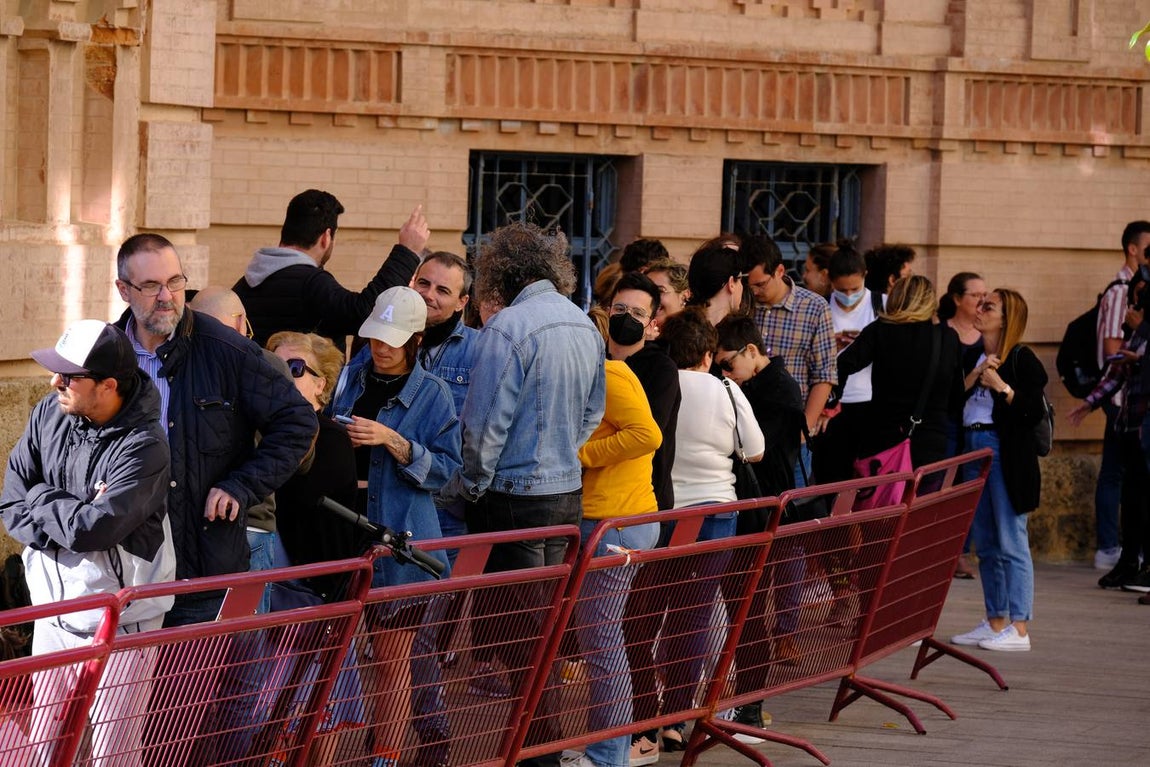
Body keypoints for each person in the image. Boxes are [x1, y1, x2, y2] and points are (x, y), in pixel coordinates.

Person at [441, 221, 605, 767]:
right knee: (543, 630)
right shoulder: (582, 323)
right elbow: (593, 412)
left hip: (513, 495)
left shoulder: (508, 327)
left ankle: (536, 752)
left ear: (501, 272)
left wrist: (473, 484)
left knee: (523, 637)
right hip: (563, 491)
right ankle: (539, 748)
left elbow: (483, 424)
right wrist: (559, 452)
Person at [113, 233, 317, 626]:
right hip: (127, 572)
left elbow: (298, 422)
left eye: (175, 282)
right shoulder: (106, 355)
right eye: (151, 285)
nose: (166, 297)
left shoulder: (225, 349)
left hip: (202, 574)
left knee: (205, 669)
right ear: (124, 290)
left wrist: (241, 485)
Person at [0, 320, 175, 766]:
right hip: (51, 616)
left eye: (68, 375)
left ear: (108, 386)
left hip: (120, 624)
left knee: (114, 755)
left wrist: (40, 496)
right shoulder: (49, 412)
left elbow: (92, 531)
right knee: (44, 748)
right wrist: (61, 513)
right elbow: (11, 502)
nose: (53, 382)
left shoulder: (145, 446)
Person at [328, 286, 460, 766]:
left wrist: (392, 440)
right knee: (332, 657)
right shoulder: (350, 376)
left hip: (399, 534)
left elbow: (446, 471)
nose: (381, 347)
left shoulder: (433, 393)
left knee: (391, 661)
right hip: (342, 526)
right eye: (375, 337)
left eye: (393, 339)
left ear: (416, 340)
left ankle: (384, 757)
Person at [656, 307, 764, 752]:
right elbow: (754, 450)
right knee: (695, 613)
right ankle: (677, 714)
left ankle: (646, 710)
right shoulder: (727, 389)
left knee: (651, 613)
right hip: (717, 512)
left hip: (664, 514)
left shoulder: (657, 383)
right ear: (707, 354)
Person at [567, 308, 662, 767]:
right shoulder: (600, 374)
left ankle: (608, 755)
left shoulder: (609, 374)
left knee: (602, 641)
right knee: (599, 640)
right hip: (611, 517)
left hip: (616, 520)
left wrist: (581, 454)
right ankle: (609, 750)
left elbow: (648, 434)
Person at [713, 314, 804, 734]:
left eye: (727, 364)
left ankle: (749, 704)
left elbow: (754, 451)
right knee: (742, 609)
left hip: (759, 511)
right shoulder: (760, 384)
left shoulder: (776, 390)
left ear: (751, 351)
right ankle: (743, 701)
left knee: (746, 610)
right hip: (753, 508)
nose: (724, 373)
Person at [950, 289, 1044, 652]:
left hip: (1003, 449)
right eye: (980, 303)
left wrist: (1001, 386)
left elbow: (1032, 411)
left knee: (1011, 538)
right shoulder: (973, 355)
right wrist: (976, 374)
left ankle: (1020, 627)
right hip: (973, 446)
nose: (979, 309)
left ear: (1006, 318)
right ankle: (995, 621)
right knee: (986, 541)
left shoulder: (1022, 358)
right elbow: (952, 400)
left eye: (989, 306)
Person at [188, 286, 291, 614]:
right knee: (243, 636)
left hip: (190, 525)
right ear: (239, 322)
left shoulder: (179, 365)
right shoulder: (267, 364)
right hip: (251, 520)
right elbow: (299, 453)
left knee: (194, 638)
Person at [233, 189, 429, 351]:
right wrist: (407, 252)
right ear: (326, 237)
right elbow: (363, 313)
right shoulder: (312, 283)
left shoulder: (245, 284)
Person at [1068, 277, 1150, 593]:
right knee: (1131, 496)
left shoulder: (1143, 329)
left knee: (1143, 496)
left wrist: (1141, 347)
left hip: (1146, 426)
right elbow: (1117, 371)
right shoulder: (1137, 330)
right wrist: (1090, 402)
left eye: (1142, 298)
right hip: (1130, 423)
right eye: (1135, 298)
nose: (1135, 305)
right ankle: (1128, 563)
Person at [837, 275, 964, 469]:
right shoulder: (947, 337)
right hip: (930, 440)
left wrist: (832, 401)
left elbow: (842, 364)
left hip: (883, 436)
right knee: (926, 488)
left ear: (896, 298)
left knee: (882, 489)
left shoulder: (880, 330)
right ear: (929, 301)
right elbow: (956, 396)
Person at [1091, 221, 1150, 573]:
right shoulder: (1120, 292)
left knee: (1127, 475)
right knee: (1117, 474)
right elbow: (1112, 347)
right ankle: (1110, 548)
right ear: (1133, 249)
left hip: (1131, 398)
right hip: (1121, 400)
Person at [815, 245, 882, 483]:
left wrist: (866, 345)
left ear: (865, 276)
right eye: (842, 290)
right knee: (831, 477)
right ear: (829, 280)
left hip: (872, 403)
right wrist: (830, 345)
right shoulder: (820, 307)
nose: (849, 295)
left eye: (855, 288)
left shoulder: (882, 305)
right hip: (831, 405)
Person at [937, 271, 987, 579]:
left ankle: (959, 552)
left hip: (975, 422)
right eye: (975, 295)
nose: (982, 301)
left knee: (967, 488)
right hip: (946, 420)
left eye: (985, 295)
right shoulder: (941, 332)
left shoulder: (987, 336)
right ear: (957, 299)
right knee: (942, 485)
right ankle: (937, 551)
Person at [686, 240, 746, 326]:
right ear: (731, 283)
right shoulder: (741, 332)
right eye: (740, 279)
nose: (741, 286)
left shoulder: (681, 327)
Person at [642, 257, 691, 322]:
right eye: (646, 291)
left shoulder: (697, 327)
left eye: (660, 291)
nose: (650, 298)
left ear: (684, 296)